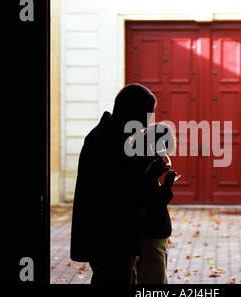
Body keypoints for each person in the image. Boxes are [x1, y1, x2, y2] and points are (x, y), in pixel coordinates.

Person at [70, 83, 170, 284]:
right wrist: (150, 175)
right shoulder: (103, 143)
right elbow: (117, 195)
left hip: (119, 239)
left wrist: (158, 183)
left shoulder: (114, 140)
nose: (145, 123)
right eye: (145, 114)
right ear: (129, 110)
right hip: (109, 240)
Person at [130, 122, 177, 284]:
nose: (163, 154)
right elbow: (149, 202)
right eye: (162, 147)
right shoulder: (143, 168)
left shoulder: (142, 164)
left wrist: (164, 185)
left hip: (151, 235)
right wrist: (161, 183)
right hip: (150, 236)